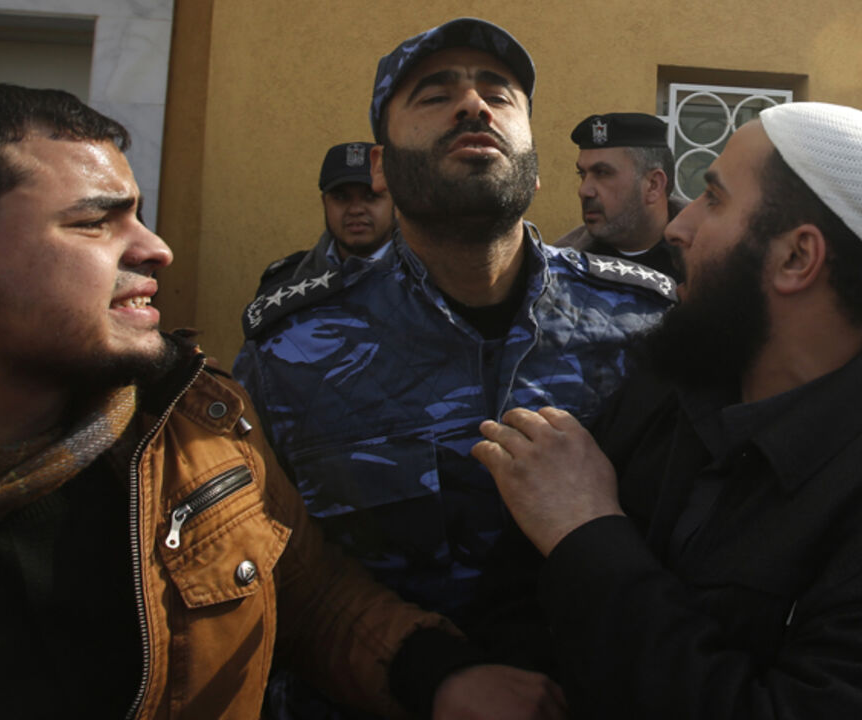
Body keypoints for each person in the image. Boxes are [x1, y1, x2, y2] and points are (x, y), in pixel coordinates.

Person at [0, 82, 566, 720]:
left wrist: (437, 675)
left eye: (138, 212)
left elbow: (307, 591)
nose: (156, 249)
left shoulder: (194, 431)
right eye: (94, 222)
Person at [473, 101, 862, 718]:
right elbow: (518, 584)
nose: (679, 227)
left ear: (796, 258)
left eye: (713, 198)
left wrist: (590, 535)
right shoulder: (672, 382)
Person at [235, 17, 673, 715]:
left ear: (532, 155)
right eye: (436, 95)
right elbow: (259, 560)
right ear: (381, 167)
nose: (474, 106)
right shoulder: (290, 349)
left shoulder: (645, 324)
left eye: (498, 95)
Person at [552, 112, 684, 279]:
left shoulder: (707, 261)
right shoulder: (557, 269)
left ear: (653, 185)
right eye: (582, 174)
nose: (584, 190)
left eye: (602, 173)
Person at [257, 141, 396, 293]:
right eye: (341, 197)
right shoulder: (284, 284)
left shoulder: (416, 282)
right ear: (325, 203)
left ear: (396, 203)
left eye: (371, 196)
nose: (355, 210)